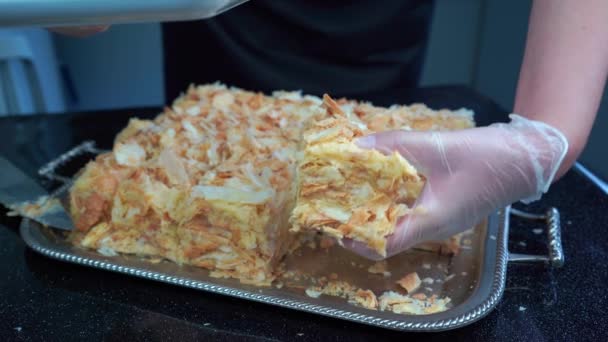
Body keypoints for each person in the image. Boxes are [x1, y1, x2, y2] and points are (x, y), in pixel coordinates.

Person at [51, 0, 608, 259]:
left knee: (379, 153)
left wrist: (548, 137)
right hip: (214, 45)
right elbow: (81, 16)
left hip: (377, 42)